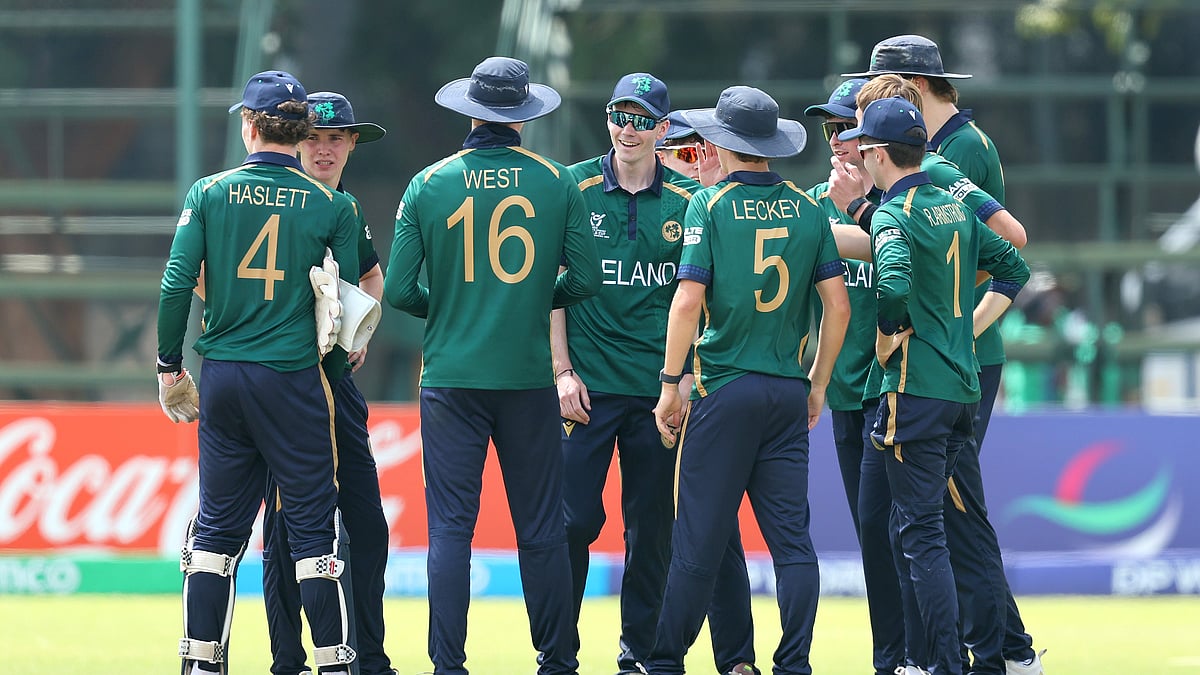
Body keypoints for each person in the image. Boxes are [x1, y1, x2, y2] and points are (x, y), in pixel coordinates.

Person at [384, 56, 601, 675]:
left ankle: (448, 665)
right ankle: (557, 660)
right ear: (524, 116)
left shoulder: (429, 183)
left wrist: (452, 305)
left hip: (451, 377)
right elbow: (584, 279)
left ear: (472, 112)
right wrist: (530, 297)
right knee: (539, 527)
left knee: (452, 530)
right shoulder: (556, 181)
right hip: (528, 376)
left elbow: (400, 291)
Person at [845, 36, 1043, 675]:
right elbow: (1008, 254)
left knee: (926, 525)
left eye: (878, 92)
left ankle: (954, 659)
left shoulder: (939, 160)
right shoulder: (954, 154)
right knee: (953, 518)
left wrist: (936, 325)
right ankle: (1000, 655)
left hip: (929, 371)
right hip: (955, 368)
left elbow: (998, 240)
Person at [158, 70, 361, 675]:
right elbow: (345, 306)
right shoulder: (331, 203)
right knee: (312, 532)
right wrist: (325, 370)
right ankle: (332, 662)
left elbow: (175, 285)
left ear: (248, 125)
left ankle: (201, 663)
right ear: (300, 133)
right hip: (292, 378)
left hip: (221, 376)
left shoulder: (208, 192)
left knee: (216, 530)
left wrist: (171, 367)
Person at [554, 75, 756, 675]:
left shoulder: (688, 200)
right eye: (619, 114)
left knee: (652, 528)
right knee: (572, 522)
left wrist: (687, 376)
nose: (628, 127)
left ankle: (638, 653)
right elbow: (552, 290)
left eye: (642, 117)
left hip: (656, 393)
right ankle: (558, 652)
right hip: (584, 388)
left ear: (663, 129)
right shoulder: (574, 186)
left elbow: (701, 298)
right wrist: (561, 370)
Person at [645, 85, 851, 675]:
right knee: (792, 543)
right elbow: (837, 307)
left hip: (725, 389)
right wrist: (816, 383)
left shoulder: (708, 206)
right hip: (788, 393)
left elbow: (687, 303)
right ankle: (793, 663)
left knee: (698, 540)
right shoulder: (809, 210)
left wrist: (668, 384)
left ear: (725, 144)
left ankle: (664, 661)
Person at [261, 90, 394, 675]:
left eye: (337, 138)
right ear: (293, 140)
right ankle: (288, 658)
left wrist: (358, 330)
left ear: (352, 146)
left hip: (334, 384)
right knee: (287, 526)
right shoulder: (277, 199)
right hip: (284, 383)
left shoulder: (345, 205)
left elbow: (371, 272)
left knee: (365, 522)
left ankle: (368, 656)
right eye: (314, 136)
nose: (325, 148)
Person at [804, 78, 906, 675]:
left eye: (846, 129)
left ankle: (923, 654)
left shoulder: (898, 196)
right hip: (845, 392)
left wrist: (850, 217)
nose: (837, 142)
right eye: (829, 131)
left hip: (895, 390)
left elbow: (895, 246)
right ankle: (891, 657)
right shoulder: (815, 198)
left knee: (901, 530)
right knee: (873, 533)